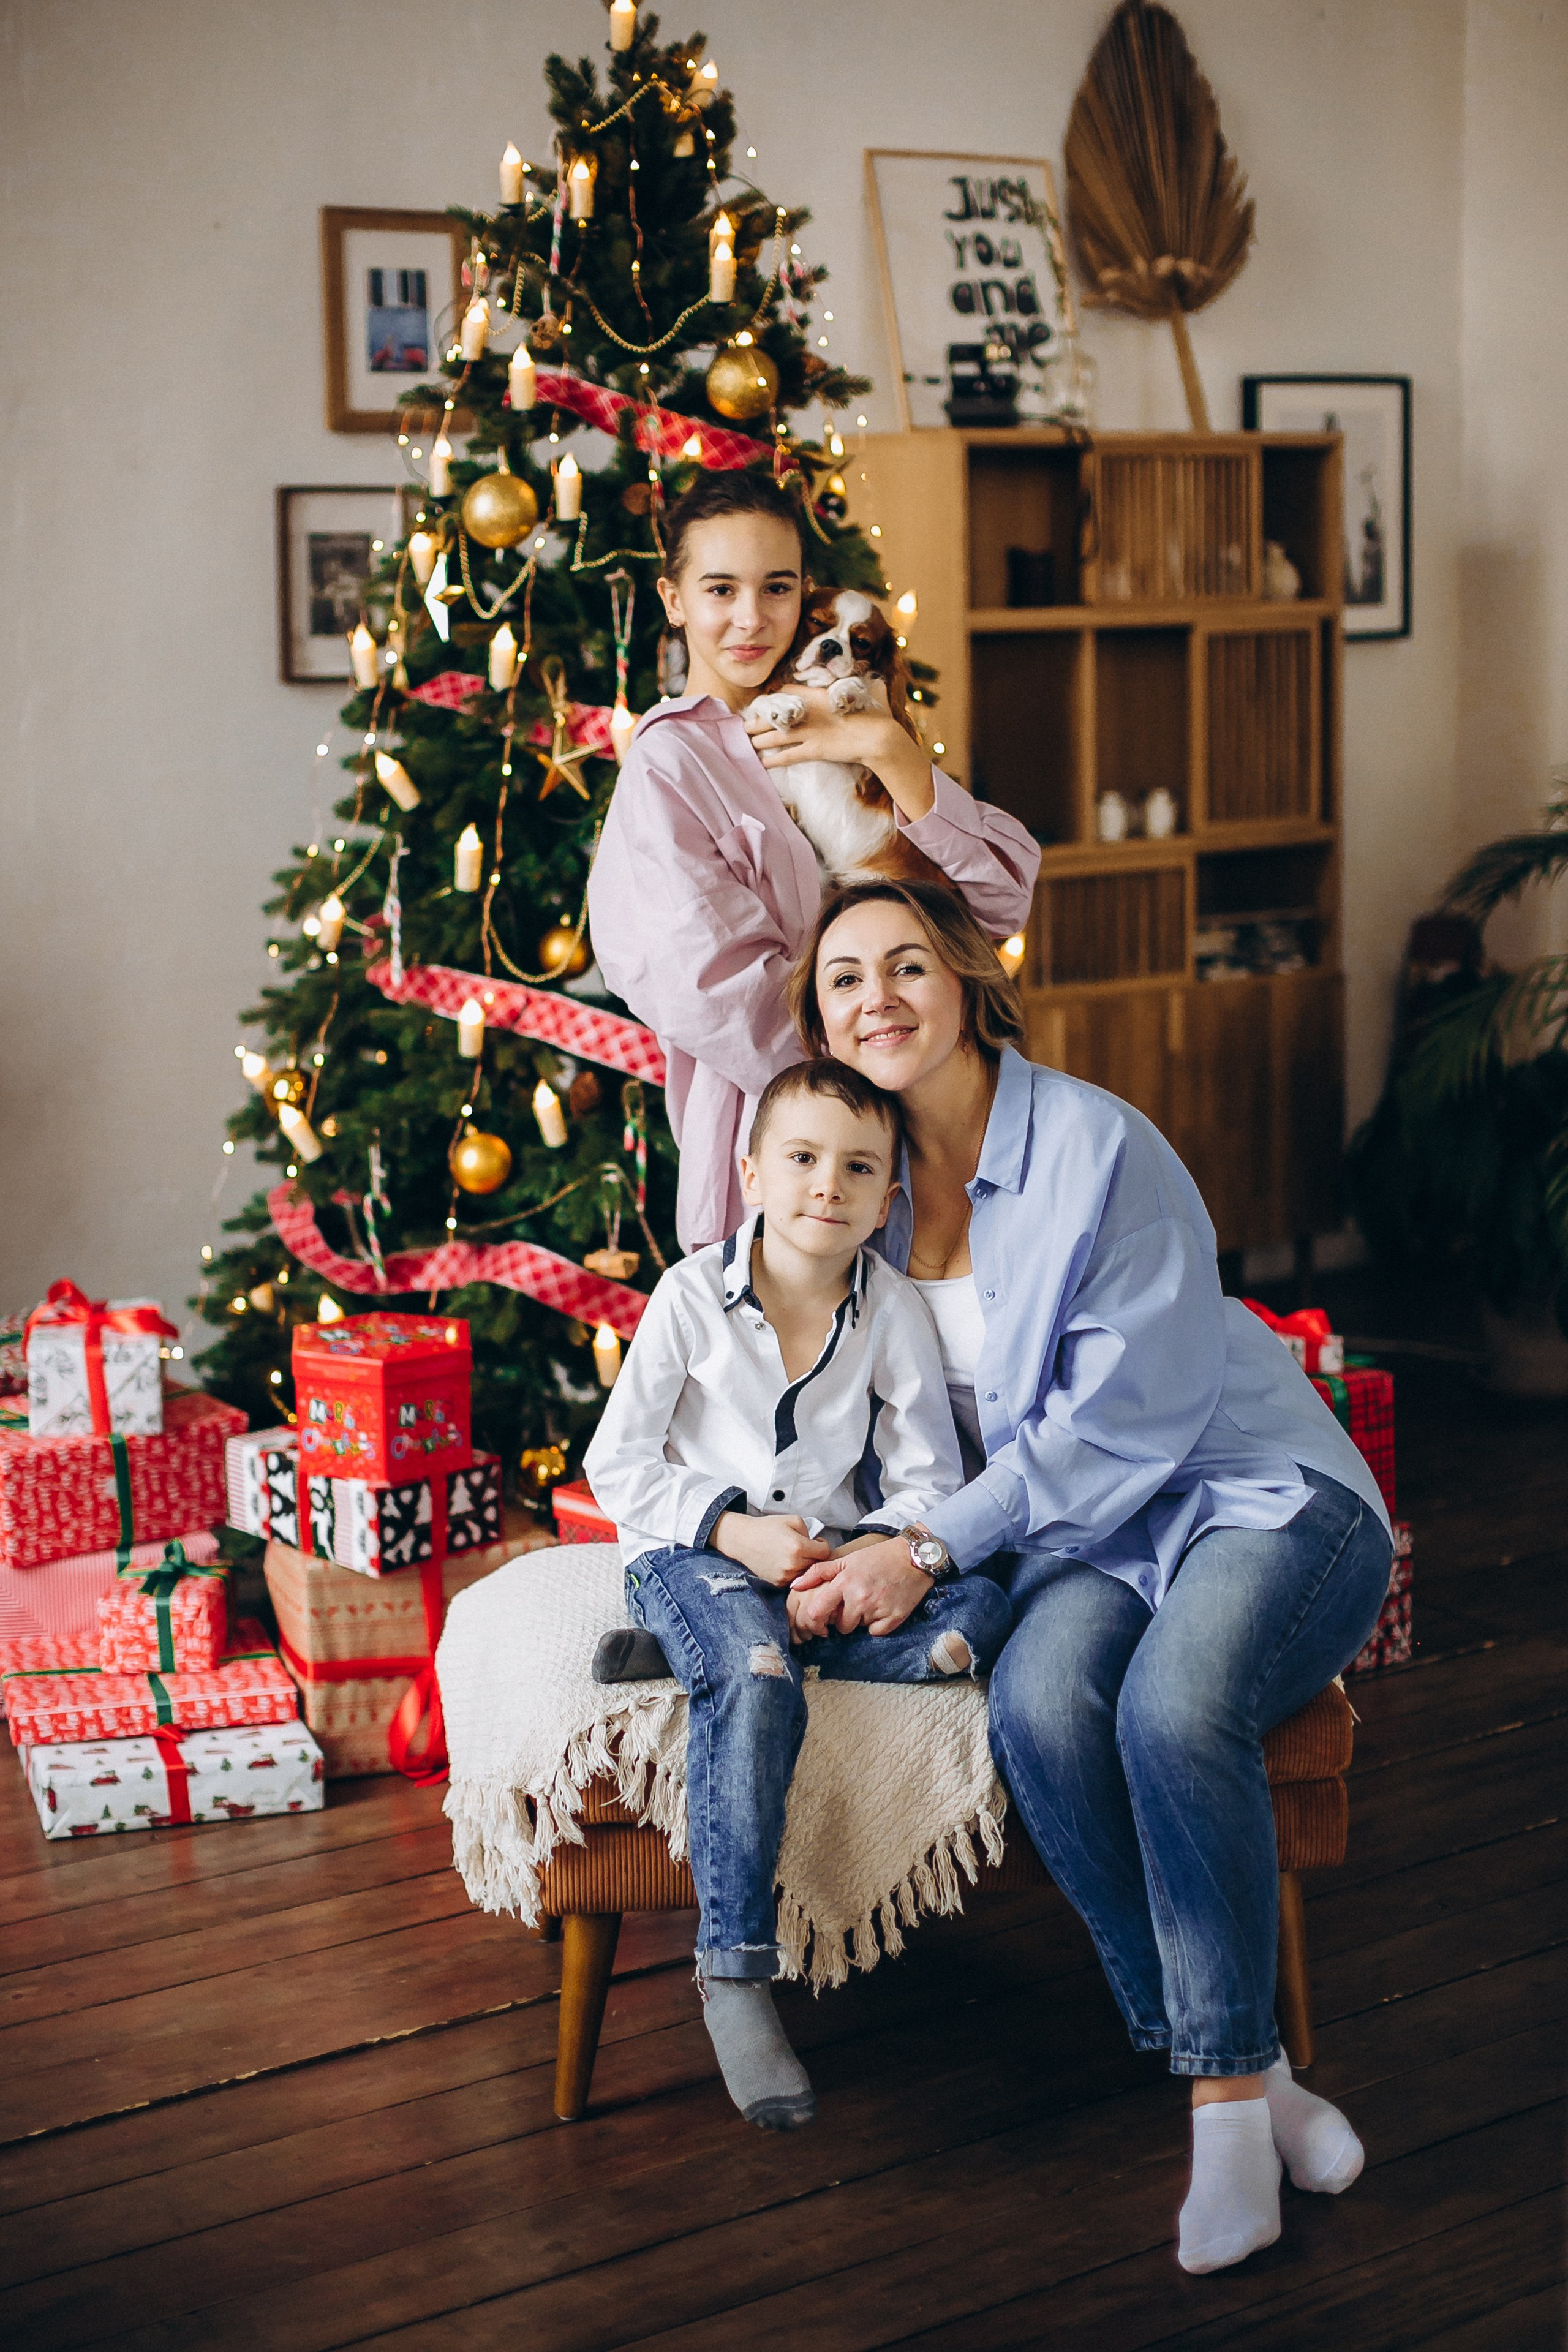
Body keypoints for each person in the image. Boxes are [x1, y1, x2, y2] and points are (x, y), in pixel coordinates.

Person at [780, 878, 1395, 2275]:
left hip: (1247, 1490)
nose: (871, 997)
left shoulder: (1095, 1147)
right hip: (1077, 1540)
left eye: (902, 965)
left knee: (1171, 1711)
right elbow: (858, 1408)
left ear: (966, 977)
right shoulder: (856, 1182)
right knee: (1042, 1706)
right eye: (839, 980)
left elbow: (1131, 1416)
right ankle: (1252, 2073)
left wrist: (931, 1544)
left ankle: (1225, 2112)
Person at [582, 1056, 1011, 2133]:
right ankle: (734, 1974)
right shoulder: (689, 1297)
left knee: (983, 1616)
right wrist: (730, 1527)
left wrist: (864, 1553)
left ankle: (697, 1649)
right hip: (695, 1551)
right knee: (762, 1682)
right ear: (752, 1172)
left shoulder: (891, 1309)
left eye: (858, 1167)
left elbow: (930, 1481)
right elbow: (617, 1465)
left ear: (885, 1198)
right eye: (805, 1159)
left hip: (825, 1562)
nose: (828, 1184)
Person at [587, 467, 1039, 1254]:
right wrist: (904, 1080)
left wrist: (889, 753)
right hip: (793, 1160)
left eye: (778, 588)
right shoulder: (671, 768)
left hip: (937, 1151)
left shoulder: (848, 721)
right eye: (720, 590)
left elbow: (1000, 902)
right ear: (673, 600)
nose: (751, 620)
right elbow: (726, 997)